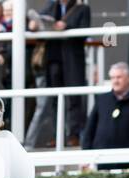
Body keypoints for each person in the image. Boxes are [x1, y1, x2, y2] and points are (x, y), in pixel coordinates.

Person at [81, 61, 129, 169]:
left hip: (128, 160)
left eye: (119, 77)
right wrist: (87, 154)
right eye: (112, 78)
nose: (115, 81)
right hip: (101, 158)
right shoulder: (102, 99)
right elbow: (89, 128)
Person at [39, 0, 91, 145]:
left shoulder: (82, 9)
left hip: (72, 59)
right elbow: (41, 24)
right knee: (55, 99)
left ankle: (74, 134)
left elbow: (84, 32)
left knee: (74, 98)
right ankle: (58, 135)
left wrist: (67, 27)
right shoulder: (50, 7)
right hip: (54, 58)